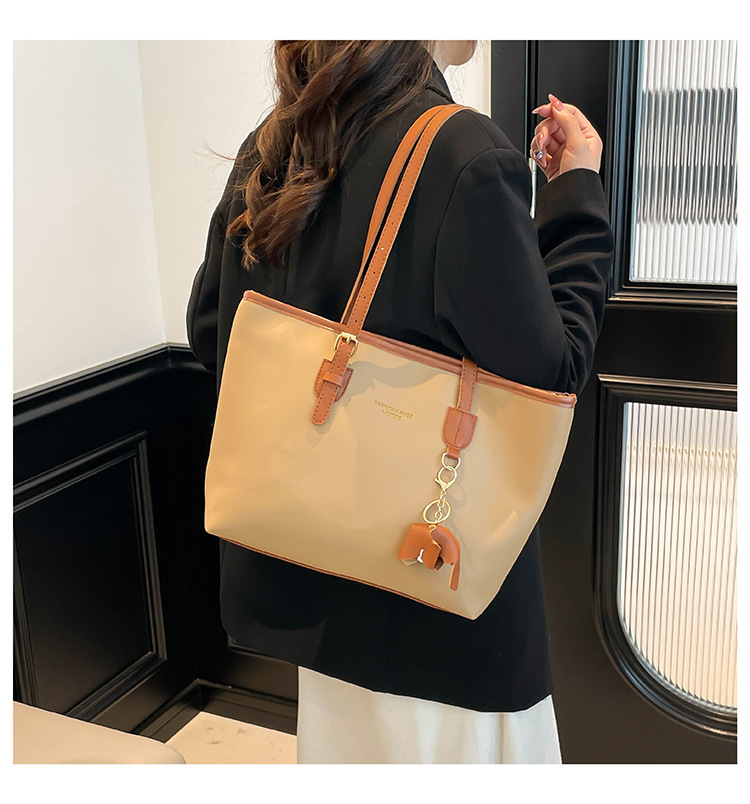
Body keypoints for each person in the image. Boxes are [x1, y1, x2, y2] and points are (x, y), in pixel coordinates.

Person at [186, 40, 614, 764]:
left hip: (311, 569)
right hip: (434, 589)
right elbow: (550, 377)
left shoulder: (278, 137)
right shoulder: (462, 152)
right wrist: (576, 192)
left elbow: (210, 330)